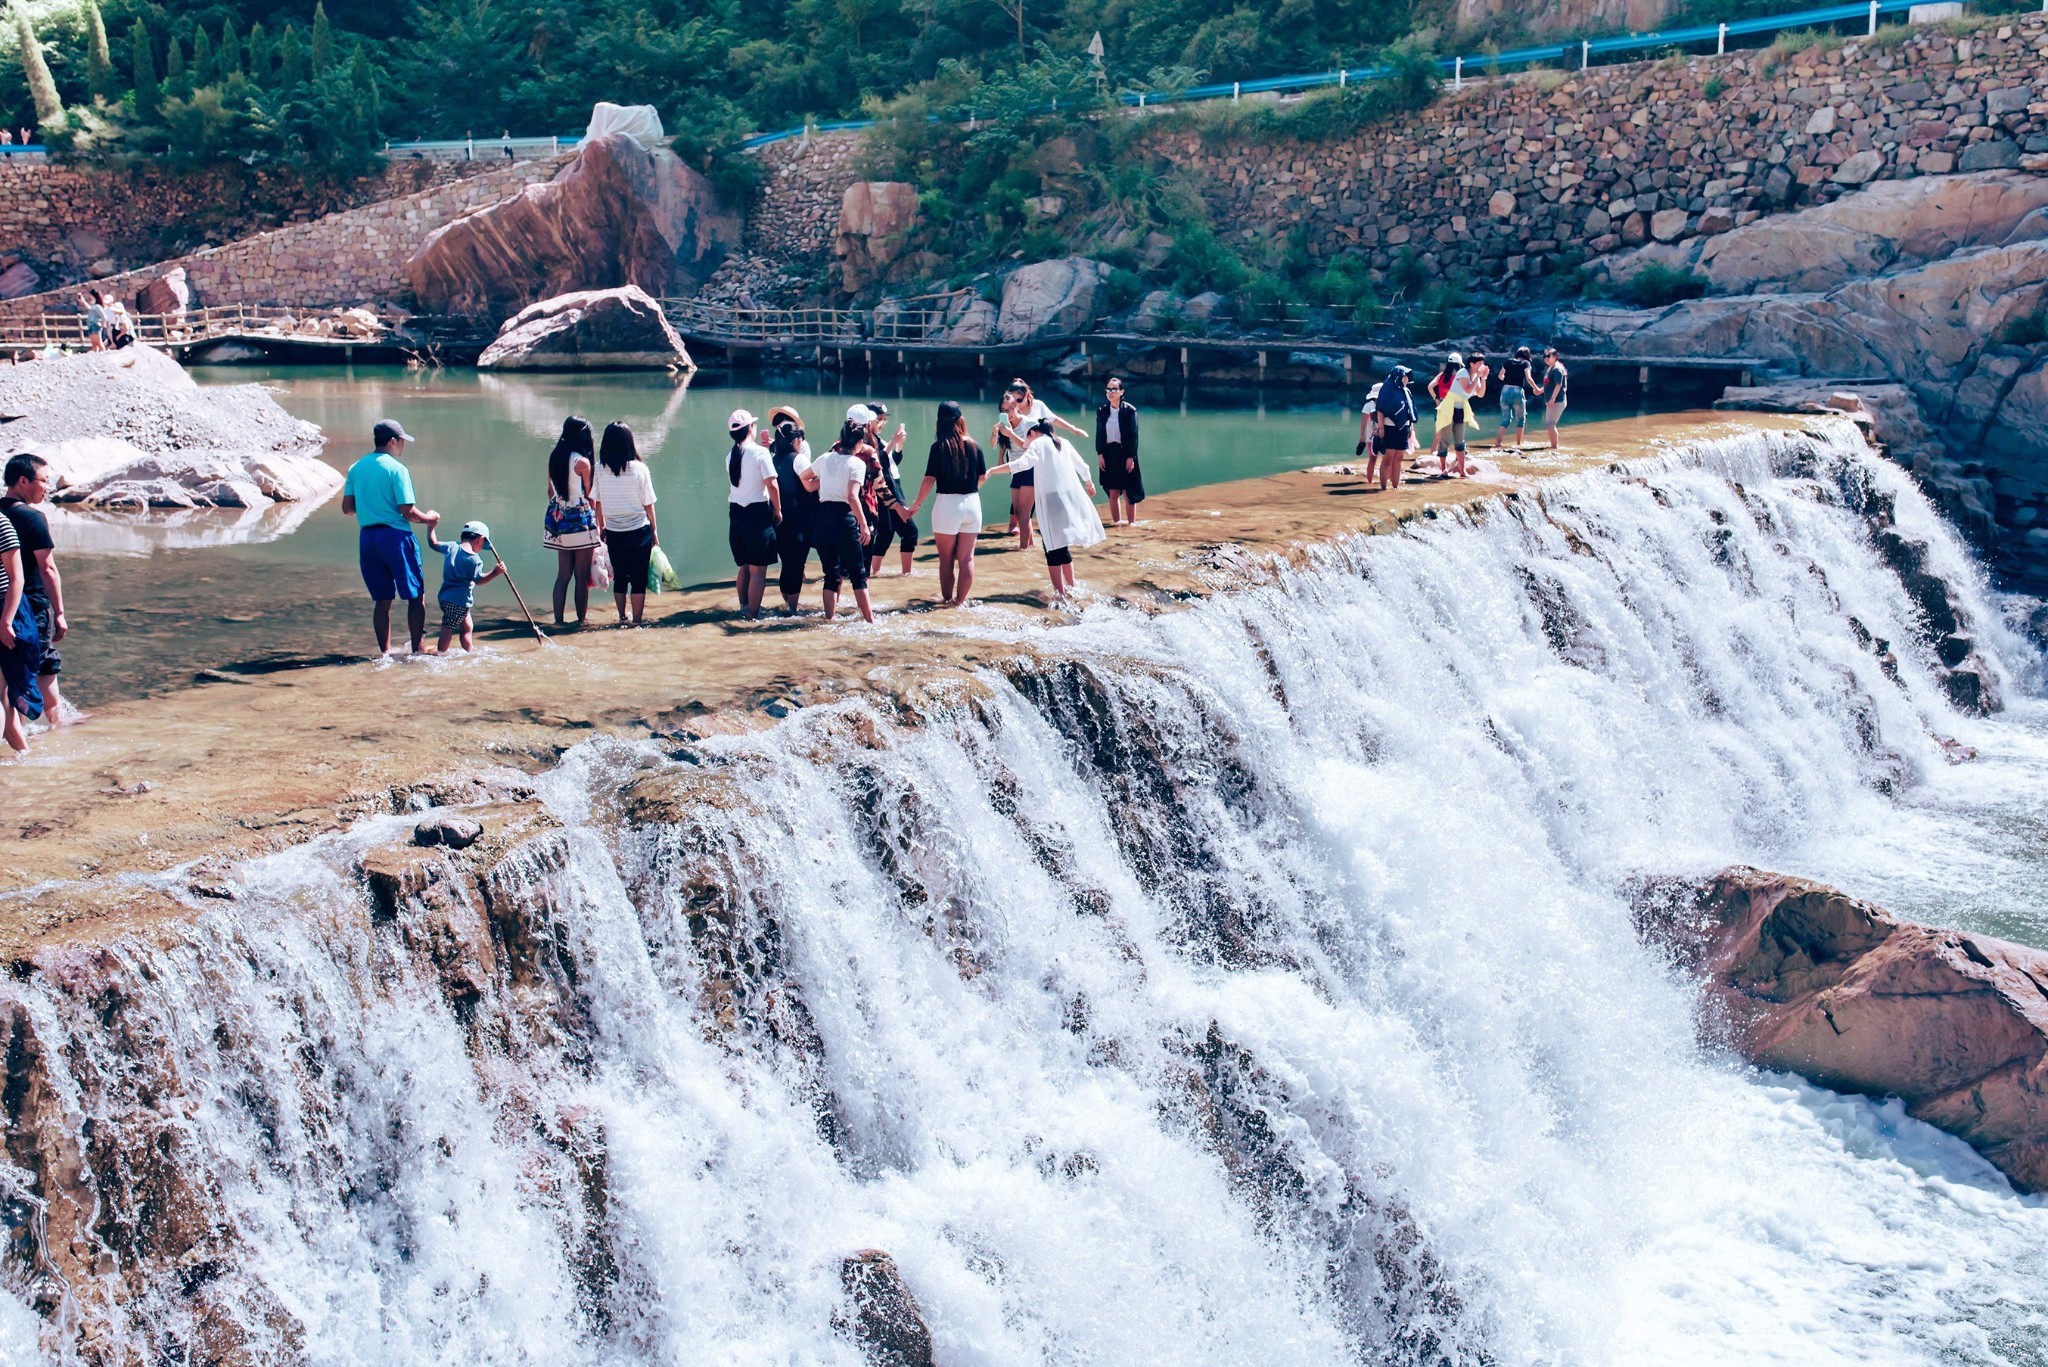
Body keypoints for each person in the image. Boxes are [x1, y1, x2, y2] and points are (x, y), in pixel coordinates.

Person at [341, 418, 438, 657]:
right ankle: (418, 649)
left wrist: (369, 511)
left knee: (382, 600)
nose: (403, 446)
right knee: (416, 595)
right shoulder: (397, 469)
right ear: (393, 441)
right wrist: (430, 519)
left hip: (368, 539)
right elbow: (408, 512)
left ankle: (384, 654)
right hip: (396, 538)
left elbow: (347, 508)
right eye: (402, 442)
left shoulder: (356, 467)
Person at [985, 417, 1105, 602]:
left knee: (1051, 545)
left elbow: (1022, 464)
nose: (1026, 440)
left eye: (1027, 436)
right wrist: (1089, 482)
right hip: (1069, 497)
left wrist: (993, 470)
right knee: (1062, 543)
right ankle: (1071, 587)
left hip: (1051, 500)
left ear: (1034, 433)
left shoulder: (1038, 443)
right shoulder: (1062, 442)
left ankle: (1060, 594)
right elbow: (1082, 466)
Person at [2, 455, 65, 726]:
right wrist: (60, 612)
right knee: (43, 664)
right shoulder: (32, 517)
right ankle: (56, 726)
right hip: (31, 607)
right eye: (44, 480)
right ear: (23, 480)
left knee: (8, 672)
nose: (47, 487)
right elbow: (47, 568)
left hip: (1, 604)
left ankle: (15, 730)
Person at [906, 400, 987, 607]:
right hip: (972, 503)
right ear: (960, 419)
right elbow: (982, 477)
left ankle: (946, 599)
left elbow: (929, 480)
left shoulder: (939, 447)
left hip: (947, 505)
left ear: (939, 422)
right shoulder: (975, 445)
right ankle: (959, 602)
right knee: (967, 558)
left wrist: (916, 504)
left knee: (946, 559)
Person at [800, 419, 876, 623]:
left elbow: (804, 478)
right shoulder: (857, 464)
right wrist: (863, 524)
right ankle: (870, 621)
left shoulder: (825, 458)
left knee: (831, 575)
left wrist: (820, 483)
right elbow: (852, 496)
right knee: (858, 575)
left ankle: (830, 620)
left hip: (823, 518)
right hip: (844, 519)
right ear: (860, 442)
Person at [999, 379, 1085, 550]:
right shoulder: (1008, 416)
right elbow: (1003, 441)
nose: (1015, 404)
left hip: (1034, 462)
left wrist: (1073, 429)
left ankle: (1025, 546)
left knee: (1025, 510)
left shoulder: (1035, 411)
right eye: (1012, 401)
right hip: (1017, 463)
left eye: (1018, 400)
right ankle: (1028, 542)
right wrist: (1000, 456)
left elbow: (1051, 422)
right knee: (1019, 509)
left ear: (1026, 397)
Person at [591, 421, 658, 627]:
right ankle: (637, 621)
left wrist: (601, 526)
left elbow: (598, 501)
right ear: (630, 443)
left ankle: (622, 617)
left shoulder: (600, 469)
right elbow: (648, 504)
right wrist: (654, 531)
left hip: (614, 530)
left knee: (620, 577)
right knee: (639, 579)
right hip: (639, 529)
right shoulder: (640, 469)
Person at [542, 415, 599, 626]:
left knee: (563, 574)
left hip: (558, 519)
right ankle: (581, 620)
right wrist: (596, 523)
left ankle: (558, 621)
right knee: (581, 573)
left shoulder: (554, 456)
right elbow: (591, 496)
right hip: (580, 519)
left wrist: (560, 510)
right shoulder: (582, 462)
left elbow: (550, 491)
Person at [725, 409, 782, 620]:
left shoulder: (730, 455)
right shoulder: (760, 453)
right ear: (750, 428)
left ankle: (743, 607)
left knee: (744, 567)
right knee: (758, 571)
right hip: (757, 513)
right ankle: (753, 616)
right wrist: (778, 510)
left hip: (736, 514)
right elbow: (772, 485)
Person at [426, 519, 503, 653]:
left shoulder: (451, 547)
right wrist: (495, 572)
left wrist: (431, 527)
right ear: (480, 539)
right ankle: (441, 653)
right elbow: (479, 580)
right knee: (447, 628)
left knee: (467, 627)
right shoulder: (475, 559)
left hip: (445, 598)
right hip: (460, 601)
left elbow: (433, 543)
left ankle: (469, 651)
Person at [860, 402, 918, 578]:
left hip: (891, 489)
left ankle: (875, 573)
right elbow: (879, 463)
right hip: (885, 493)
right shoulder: (865, 442)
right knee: (909, 532)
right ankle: (905, 574)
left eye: (885, 420)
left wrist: (898, 445)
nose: (883, 423)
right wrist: (893, 442)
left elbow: (892, 462)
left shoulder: (879, 440)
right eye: (880, 420)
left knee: (886, 533)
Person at [767, 408, 817, 614]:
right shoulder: (799, 459)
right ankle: (792, 609)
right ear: (794, 441)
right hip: (799, 517)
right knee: (796, 563)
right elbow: (810, 483)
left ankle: (787, 602)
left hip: (778, 517)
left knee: (786, 562)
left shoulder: (772, 459)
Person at [1094, 377, 1143, 526]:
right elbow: (1100, 434)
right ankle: (1117, 524)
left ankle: (1131, 524)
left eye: (1114, 389)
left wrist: (1131, 456)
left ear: (1121, 391)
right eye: (1108, 389)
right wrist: (1100, 453)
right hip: (1109, 453)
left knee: (1128, 490)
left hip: (1125, 453)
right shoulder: (1102, 411)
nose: (1110, 392)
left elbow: (1133, 434)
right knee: (1113, 491)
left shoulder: (1130, 410)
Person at [1375, 366, 1417, 492]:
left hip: (1403, 428)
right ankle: (1383, 487)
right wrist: (1381, 428)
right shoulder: (1387, 390)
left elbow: (1409, 410)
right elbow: (1380, 410)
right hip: (1389, 427)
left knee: (1398, 458)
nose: (1406, 379)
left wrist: (1411, 427)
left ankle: (1395, 487)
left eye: (1407, 377)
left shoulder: (1405, 391)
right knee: (1388, 458)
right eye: (1404, 376)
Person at [1496, 346, 1534, 451]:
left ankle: (1498, 442)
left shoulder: (1508, 362)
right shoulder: (1526, 363)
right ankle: (1518, 443)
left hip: (1505, 390)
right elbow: (1528, 378)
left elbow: (1500, 376)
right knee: (1521, 418)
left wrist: (1508, 380)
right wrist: (1536, 388)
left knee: (1506, 418)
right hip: (1517, 391)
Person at [1540, 347, 1570, 450]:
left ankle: (1554, 447)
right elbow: (1549, 384)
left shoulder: (1557, 369)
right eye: (1544, 356)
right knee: (1549, 423)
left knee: (1551, 423)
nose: (1546, 358)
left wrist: (1552, 399)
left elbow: (1558, 385)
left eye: (1548, 356)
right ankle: (1552, 445)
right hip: (1551, 400)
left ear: (1555, 357)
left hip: (1557, 400)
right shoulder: (1551, 368)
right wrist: (1540, 390)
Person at [1355, 380, 1383, 485]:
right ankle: (1369, 482)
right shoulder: (1368, 406)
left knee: (1386, 459)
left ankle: (1383, 480)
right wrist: (1362, 435)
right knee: (1373, 458)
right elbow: (1363, 422)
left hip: (1384, 435)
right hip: (1371, 436)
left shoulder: (1387, 405)